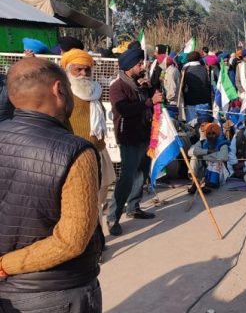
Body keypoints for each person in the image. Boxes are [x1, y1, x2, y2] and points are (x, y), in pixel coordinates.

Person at [0, 58, 102, 311]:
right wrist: (5, 265)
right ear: (59, 90)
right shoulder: (77, 152)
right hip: (55, 293)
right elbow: (71, 241)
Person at [107, 48, 161, 236]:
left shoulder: (140, 84)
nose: (142, 66)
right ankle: (113, 217)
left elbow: (155, 100)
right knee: (127, 177)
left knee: (141, 173)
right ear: (130, 66)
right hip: (128, 137)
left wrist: (149, 88)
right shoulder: (118, 86)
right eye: (139, 64)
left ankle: (134, 207)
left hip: (144, 135)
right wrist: (148, 102)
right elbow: (124, 109)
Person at [61, 49, 117, 226]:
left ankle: (96, 236)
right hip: (76, 155)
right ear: (68, 70)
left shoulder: (96, 90)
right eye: (78, 69)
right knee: (81, 201)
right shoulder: (63, 93)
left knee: (99, 196)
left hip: (98, 150)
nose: (83, 74)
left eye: (87, 69)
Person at [188, 122, 232, 193]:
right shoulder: (202, 142)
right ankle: (195, 182)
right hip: (204, 168)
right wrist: (208, 151)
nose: (211, 136)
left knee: (217, 161)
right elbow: (191, 152)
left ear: (217, 134)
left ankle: (210, 185)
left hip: (219, 170)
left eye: (213, 133)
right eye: (209, 134)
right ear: (206, 134)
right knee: (194, 158)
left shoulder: (223, 143)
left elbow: (223, 157)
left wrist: (203, 156)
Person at [181, 51, 212, 123]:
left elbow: (182, 85)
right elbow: (208, 83)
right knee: (203, 122)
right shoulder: (204, 69)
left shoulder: (185, 69)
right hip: (203, 99)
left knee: (191, 122)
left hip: (190, 99)